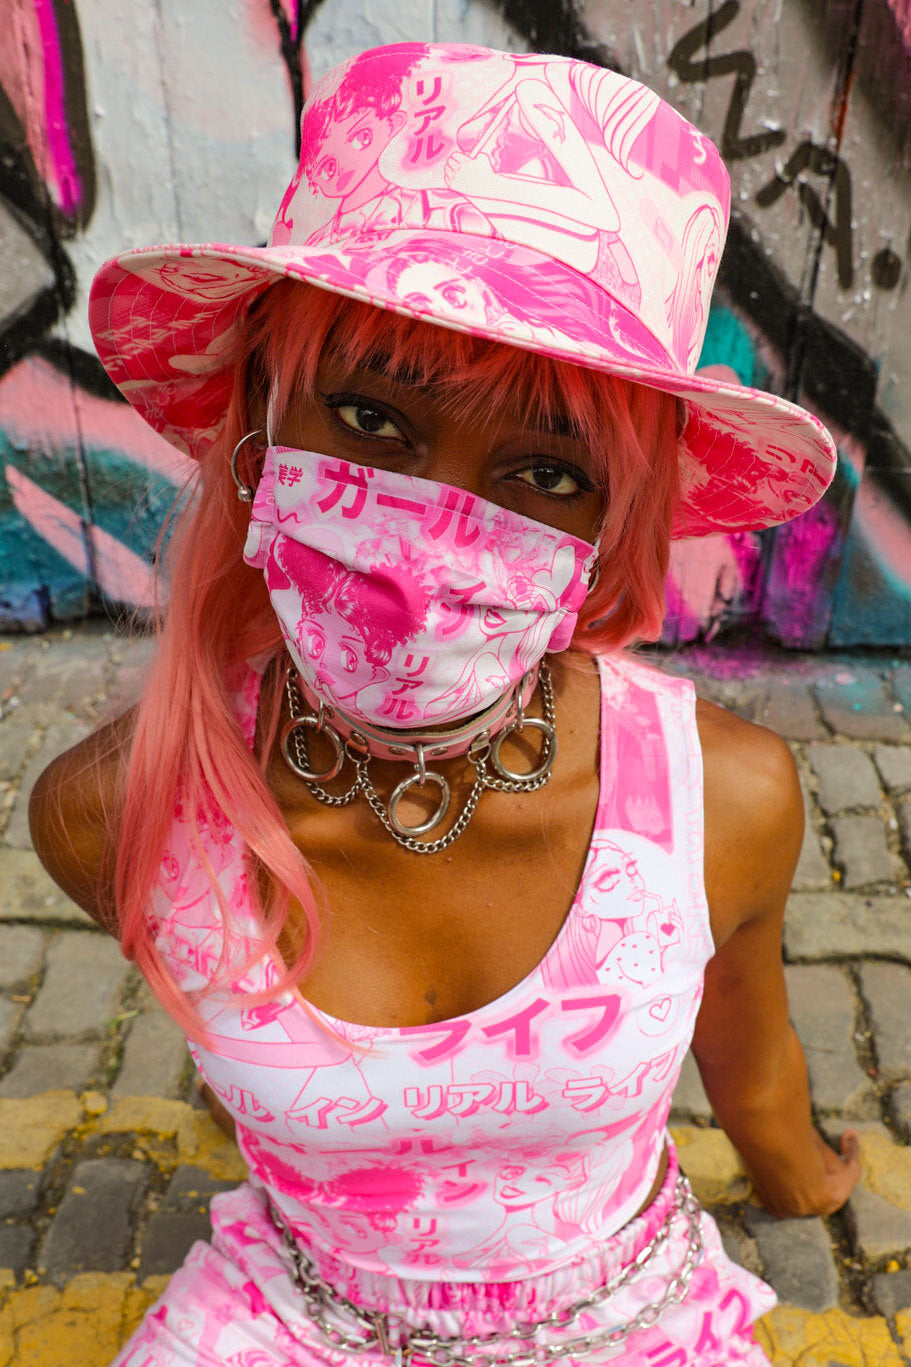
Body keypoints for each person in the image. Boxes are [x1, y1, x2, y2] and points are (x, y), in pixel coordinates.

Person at [29, 41, 860, 1367]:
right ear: (260, 416)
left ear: (613, 528)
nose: (433, 539)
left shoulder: (726, 801)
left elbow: (754, 1069)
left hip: (631, 1321)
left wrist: (808, 1183)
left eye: (548, 471)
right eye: (371, 419)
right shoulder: (115, 814)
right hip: (290, 1313)